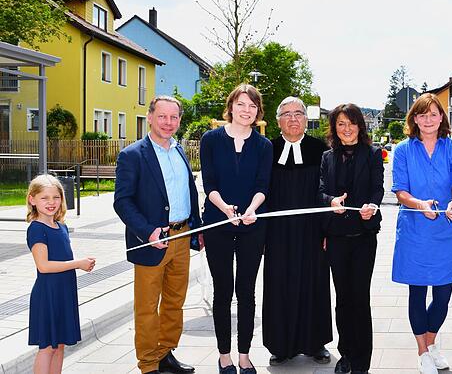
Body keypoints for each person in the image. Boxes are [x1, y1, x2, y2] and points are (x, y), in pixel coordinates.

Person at [114, 95, 201, 374]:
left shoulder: (179, 151)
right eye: (162, 116)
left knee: (175, 302)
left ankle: (166, 354)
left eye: (174, 117)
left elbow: (189, 192)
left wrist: (196, 229)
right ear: (150, 117)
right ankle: (149, 364)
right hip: (152, 241)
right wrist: (147, 232)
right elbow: (122, 201)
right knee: (147, 308)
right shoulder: (132, 155)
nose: (168, 122)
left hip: (181, 236)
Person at [392, 93, 452, 374]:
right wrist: (419, 204)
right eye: (422, 115)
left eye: (433, 114)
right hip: (414, 231)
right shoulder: (403, 150)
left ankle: (432, 343)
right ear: (414, 119)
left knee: (443, 295)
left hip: (446, 230)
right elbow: (400, 190)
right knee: (417, 292)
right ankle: (423, 351)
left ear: (442, 118)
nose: (428, 119)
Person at [199, 84, 272, 374]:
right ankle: (224, 356)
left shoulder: (264, 145)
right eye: (241, 104)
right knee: (222, 291)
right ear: (231, 107)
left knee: (247, 291)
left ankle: (244, 355)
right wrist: (226, 209)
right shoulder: (211, 139)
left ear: (258, 112)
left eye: (253, 106)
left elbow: (262, 186)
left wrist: (252, 209)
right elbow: (209, 184)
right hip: (218, 222)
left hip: (253, 225)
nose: (246, 110)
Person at [263, 97, 332, 365]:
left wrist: (328, 230)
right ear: (278, 119)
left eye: (299, 113)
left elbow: (328, 191)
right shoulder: (266, 150)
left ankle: (316, 343)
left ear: (307, 119)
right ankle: (280, 345)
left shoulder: (322, 149)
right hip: (277, 234)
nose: (293, 118)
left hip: (312, 232)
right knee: (278, 285)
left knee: (314, 284)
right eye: (287, 114)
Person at [319, 103, 384, 374]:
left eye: (351, 123)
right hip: (336, 238)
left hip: (363, 238)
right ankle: (345, 354)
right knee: (343, 298)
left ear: (360, 126)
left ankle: (362, 361)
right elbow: (320, 191)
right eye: (341, 124)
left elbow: (377, 189)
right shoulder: (327, 157)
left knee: (360, 298)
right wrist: (331, 200)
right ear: (334, 127)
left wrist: (372, 206)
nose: (346, 129)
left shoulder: (372, 154)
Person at [26, 174, 96, 374]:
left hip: (64, 292)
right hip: (48, 294)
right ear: (32, 199)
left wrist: (80, 263)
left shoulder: (61, 227)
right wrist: (78, 263)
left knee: (60, 345)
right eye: (44, 198)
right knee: (48, 347)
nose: (51, 202)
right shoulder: (37, 229)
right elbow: (44, 266)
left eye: (55, 197)